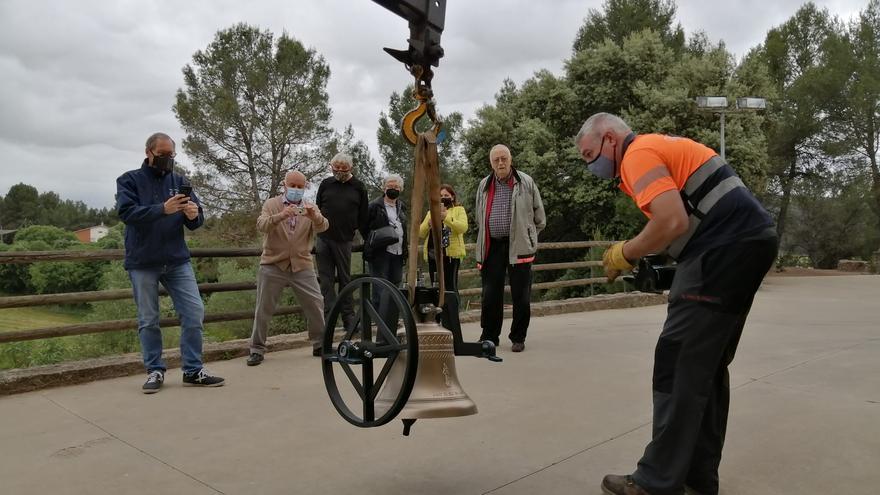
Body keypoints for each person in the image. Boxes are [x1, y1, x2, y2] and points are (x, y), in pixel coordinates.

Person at [575, 113, 778, 495]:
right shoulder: (656, 149)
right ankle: (697, 479)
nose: (590, 165)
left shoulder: (638, 154)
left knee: (677, 362)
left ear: (610, 139)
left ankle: (656, 481)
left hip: (722, 248)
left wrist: (626, 253)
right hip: (747, 242)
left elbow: (671, 221)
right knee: (706, 368)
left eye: (590, 154)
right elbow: (680, 218)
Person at [116, 132, 224, 393]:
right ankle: (154, 370)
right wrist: (162, 209)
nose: (167, 159)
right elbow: (127, 213)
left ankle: (193, 370)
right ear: (149, 152)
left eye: (171, 155)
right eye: (162, 155)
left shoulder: (180, 181)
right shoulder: (129, 180)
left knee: (194, 312)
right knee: (149, 319)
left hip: (177, 260)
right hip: (142, 261)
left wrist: (193, 214)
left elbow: (196, 223)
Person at [246, 170, 330, 366]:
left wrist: (314, 216)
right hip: (273, 263)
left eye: (300, 186)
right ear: (285, 185)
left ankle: (320, 343)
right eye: (292, 185)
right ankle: (256, 348)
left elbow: (324, 226)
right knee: (264, 307)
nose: (296, 189)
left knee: (316, 303)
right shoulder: (271, 204)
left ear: (305, 187)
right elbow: (261, 225)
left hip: (302, 263)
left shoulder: (310, 206)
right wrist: (281, 216)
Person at [474, 144, 546, 353]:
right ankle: (489, 336)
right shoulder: (484, 185)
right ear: (491, 163)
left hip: (519, 246)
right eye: (496, 160)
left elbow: (539, 218)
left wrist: (529, 237)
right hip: (492, 246)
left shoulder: (526, 182)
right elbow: (480, 217)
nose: (500, 163)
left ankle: (518, 337)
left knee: (521, 295)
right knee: (490, 295)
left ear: (510, 159)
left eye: (504, 158)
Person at [315, 153, 369, 332]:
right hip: (323, 238)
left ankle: (349, 319)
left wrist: (364, 237)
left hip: (344, 240)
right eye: (335, 167)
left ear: (350, 168)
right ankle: (329, 320)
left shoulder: (359, 187)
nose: (339, 171)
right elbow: (317, 209)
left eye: (343, 168)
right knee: (326, 281)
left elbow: (363, 216)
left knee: (346, 280)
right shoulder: (325, 184)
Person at [365, 174, 407, 326]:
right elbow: (365, 226)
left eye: (396, 187)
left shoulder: (401, 206)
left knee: (395, 285)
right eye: (390, 186)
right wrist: (374, 241)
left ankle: (392, 317)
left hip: (398, 251)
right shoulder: (374, 205)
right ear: (384, 188)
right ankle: (379, 319)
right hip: (380, 252)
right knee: (380, 286)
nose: (393, 189)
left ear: (400, 189)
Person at [418, 183, 468, 292]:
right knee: (435, 286)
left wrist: (446, 217)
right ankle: (439, 308)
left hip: (450, 256)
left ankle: (452, 309)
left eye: (446, 195)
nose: (443, 198)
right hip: (433, 255)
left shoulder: (459, 210)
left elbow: (463, 228)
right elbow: (421, 233)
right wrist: (428, 224)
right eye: (441, 196)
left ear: (452, 197)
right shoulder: (431, 212)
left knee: (450, 287)